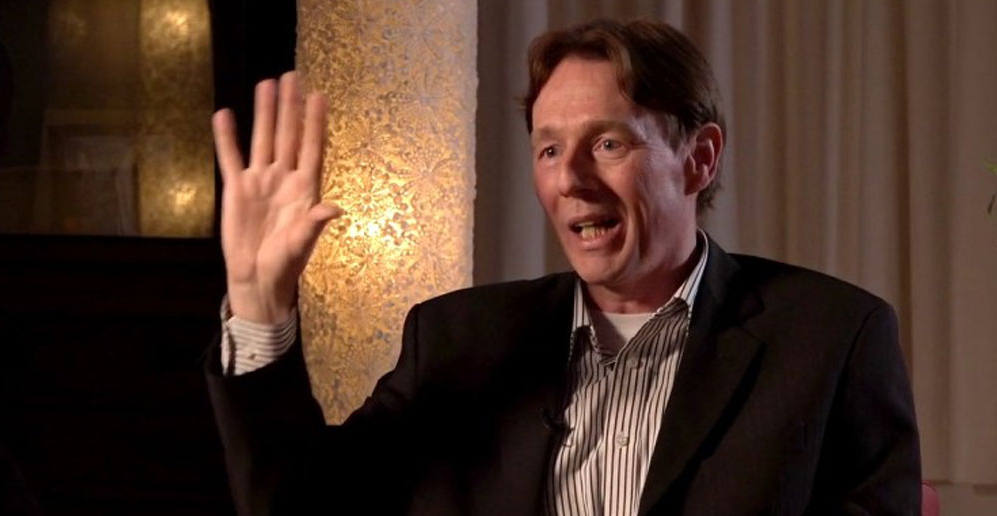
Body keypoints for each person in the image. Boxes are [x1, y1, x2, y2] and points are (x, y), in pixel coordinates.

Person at [205, 18, 920, 516]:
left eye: (608, 143)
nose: (571, 179)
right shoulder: (458, 340)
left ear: (699, 159)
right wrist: (260, 306)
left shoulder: (832, 338)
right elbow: (305, 506)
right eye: (549, 150)